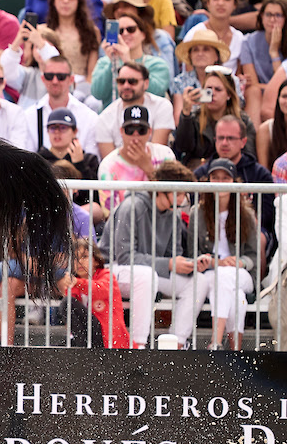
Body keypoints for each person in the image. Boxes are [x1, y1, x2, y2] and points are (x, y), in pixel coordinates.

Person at [98, 159, 201, 349]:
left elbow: (173, 255)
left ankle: (176, 343)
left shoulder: (174, 215)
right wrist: (170, 264)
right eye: (179, 193)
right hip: (111, 270)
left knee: (198, 281)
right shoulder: (132, 206)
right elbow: (125, 257)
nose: (183, 199)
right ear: (163, 189)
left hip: (149, 274)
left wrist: (190, 265)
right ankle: (138, 345)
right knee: (146, 276)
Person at [189, 157, 259, 351]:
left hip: (241, 273)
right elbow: (192, 253)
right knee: (236, 297)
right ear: (208, 181)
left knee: (227, 277)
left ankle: (216, 342)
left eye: (225, 178)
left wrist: (239, 262)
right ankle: (234, 350)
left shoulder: (246, 214)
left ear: (234, 182)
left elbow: (253, 257)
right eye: (215, 177)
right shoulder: (198, 213)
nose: (220, 182)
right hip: (211, 271)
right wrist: (216, 262)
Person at [97, 104, 176, 215]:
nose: (135, 135)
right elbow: (110, 214)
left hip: (161, 222)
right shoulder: (108, 165)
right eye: (130, 130)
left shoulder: (165, 154)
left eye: (141, 130)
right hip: (124, 226)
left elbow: (174, 201)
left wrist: (149, 169)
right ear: (121, 131)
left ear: (149, 131)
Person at [172, 67, 254, 168]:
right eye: (208, 90)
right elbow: (182, 147)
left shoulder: (243, 120)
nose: (213, 93)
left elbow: (249, 156)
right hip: (197, 175)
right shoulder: (193, 117)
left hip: (233, 174)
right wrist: (185, 114)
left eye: (218, 90)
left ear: (229, 94)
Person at [91, 12, 171, 108]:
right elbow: (97, 93)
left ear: (143, 34)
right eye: (120, 31)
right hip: (112, 120)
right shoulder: (104, 62)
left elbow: (157, 91)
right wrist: (111, 62)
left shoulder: (157, 64)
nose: (125, 34)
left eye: (131, 29)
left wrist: (127, 62)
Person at [95, 61, 174, 157]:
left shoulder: (162, 106)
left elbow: (157, 154)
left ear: (146, 83)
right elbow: (109, 162)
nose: (126, 86)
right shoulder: (105, 118)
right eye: (121, 81)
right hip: (120, 169)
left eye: (132, 81)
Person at [26, 55, 100, 156]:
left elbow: (92, 160)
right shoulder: (29, 116)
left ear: (71, 80)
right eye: (49, 76)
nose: (55, 81)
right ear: (43, 79)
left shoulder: (89, 117)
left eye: (61, 77)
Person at [67, 237, 130, 349]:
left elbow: (101, 290)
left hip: (108, 338)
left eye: (84, 256)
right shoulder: (73, 285)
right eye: (75, 258)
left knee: (68, 303)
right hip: (88, 338)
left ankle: (83, 350)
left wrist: (78, 283)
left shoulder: (107, 275)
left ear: (96, 260)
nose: (79, 262)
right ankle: (82, 349)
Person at [180, 0, 247, 75]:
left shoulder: (239, 38)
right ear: (208, 3)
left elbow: (239, 76)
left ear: (235, 4)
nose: (220, 3)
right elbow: (188, 75)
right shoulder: (194, 34)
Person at [37, 110, 100, 214]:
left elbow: (93, 197)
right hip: (47, 213)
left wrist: (80, 164)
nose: (57, 132)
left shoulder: (89, 160)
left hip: (79, 214)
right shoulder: (39, 160)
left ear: (75, 131)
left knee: (95, 208)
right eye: (53, 128)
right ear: (47, 131)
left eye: (63, 128)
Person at [46, 0, 101, 89]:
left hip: (82, 87)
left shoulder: (92, 32)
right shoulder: (43, 31)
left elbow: (92, 75)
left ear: (78, 1)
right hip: (51, 84)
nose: (65, 1)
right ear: (53, 1)